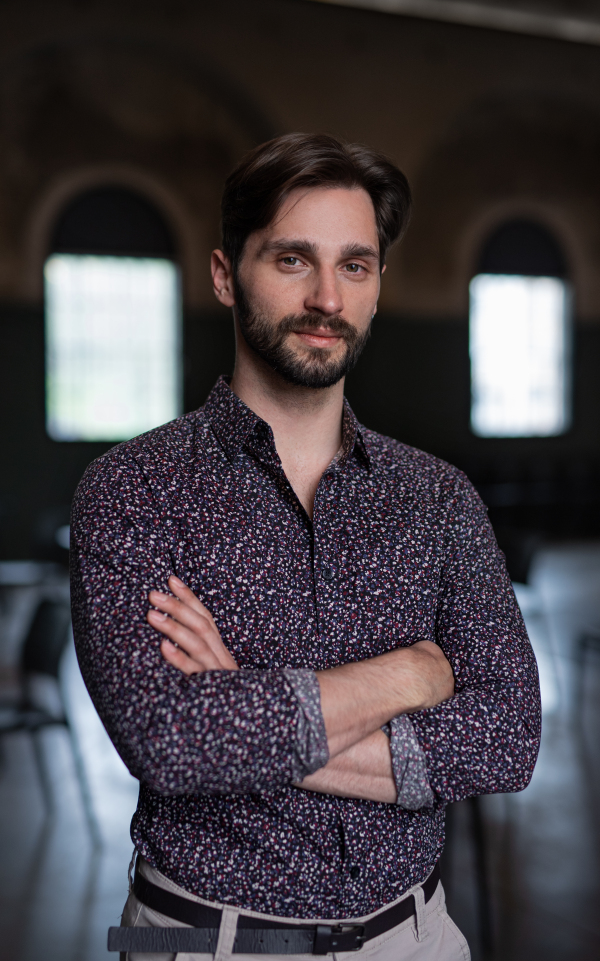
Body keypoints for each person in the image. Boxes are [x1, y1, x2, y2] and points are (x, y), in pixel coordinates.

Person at [71, 133, 541, 961]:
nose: (328, 296)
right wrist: (412, 673)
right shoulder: (132, 489)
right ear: (225, 274)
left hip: (416, 937)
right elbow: (169, 742)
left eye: (354, 265)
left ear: (377, 284)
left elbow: (507, 736)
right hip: (207, 942)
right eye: (293, 260)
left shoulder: (439, 499)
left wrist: (238, 701)